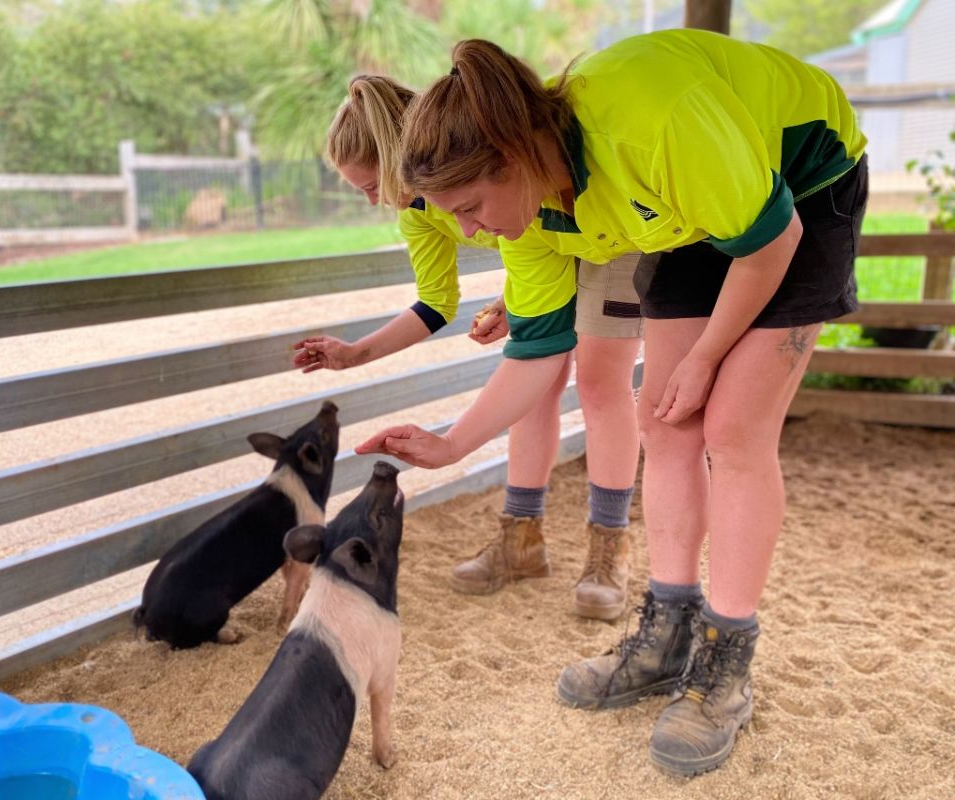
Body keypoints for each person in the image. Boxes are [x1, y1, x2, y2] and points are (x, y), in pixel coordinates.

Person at [356, 30, 867, 776]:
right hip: (691, 207)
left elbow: (769, 239)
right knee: (665, 423)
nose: (466, 231)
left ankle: (726, 662)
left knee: (731, 431)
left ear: (516, 152)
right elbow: (536, 352)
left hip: (798, 192)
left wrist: (704, 356)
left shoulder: (653, 121)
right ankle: (665, 635)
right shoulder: (530, 215)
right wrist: (449, 445)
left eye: (468, 206)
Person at [299, 75, 642, 617]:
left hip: (611, 229)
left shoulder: (484, 182)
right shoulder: (418, 209)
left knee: (600, 379)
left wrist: (453, 442)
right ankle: (521, 540)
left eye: (370, 185)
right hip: (544, 243)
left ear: (397, 162)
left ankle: (609, 549)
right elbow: (436, 302)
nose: (371, 201)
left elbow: (532, 248)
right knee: (533, 389)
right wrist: (353, 353)